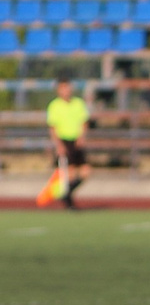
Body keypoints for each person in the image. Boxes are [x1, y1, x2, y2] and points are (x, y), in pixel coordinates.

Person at [43, 78, 90, 208]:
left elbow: (84, 122)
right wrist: (59, 145)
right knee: (70, 173)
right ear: (58, 90)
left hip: (76, 140)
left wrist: (82, 137)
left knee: (86, 172)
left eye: (67, 87)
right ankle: (69, 202)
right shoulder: (54, 106)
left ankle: (65, 193)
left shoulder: (78, 103)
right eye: (63, 88)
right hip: (64, 141)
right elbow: (53, 128)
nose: (66, 91)